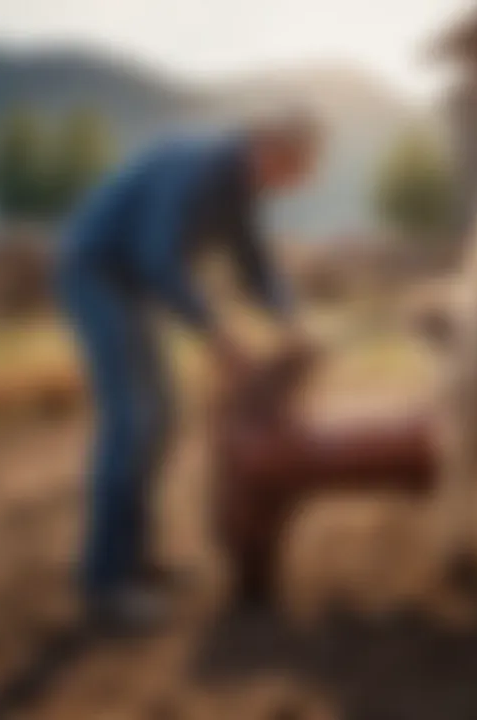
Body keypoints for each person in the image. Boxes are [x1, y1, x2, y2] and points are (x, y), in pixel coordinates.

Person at [56, 112, 320, 634]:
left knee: (162, 417)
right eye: (294, 169)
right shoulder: (193, 166)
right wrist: (219, 337)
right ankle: (105, 584)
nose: (292, 184)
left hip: (128, 284)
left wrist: (293, 320)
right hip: (96, 273)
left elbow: (255, 265)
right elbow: (157, 258)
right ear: (267, 147)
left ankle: (136, 559)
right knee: (133, 420)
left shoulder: (241, 189)